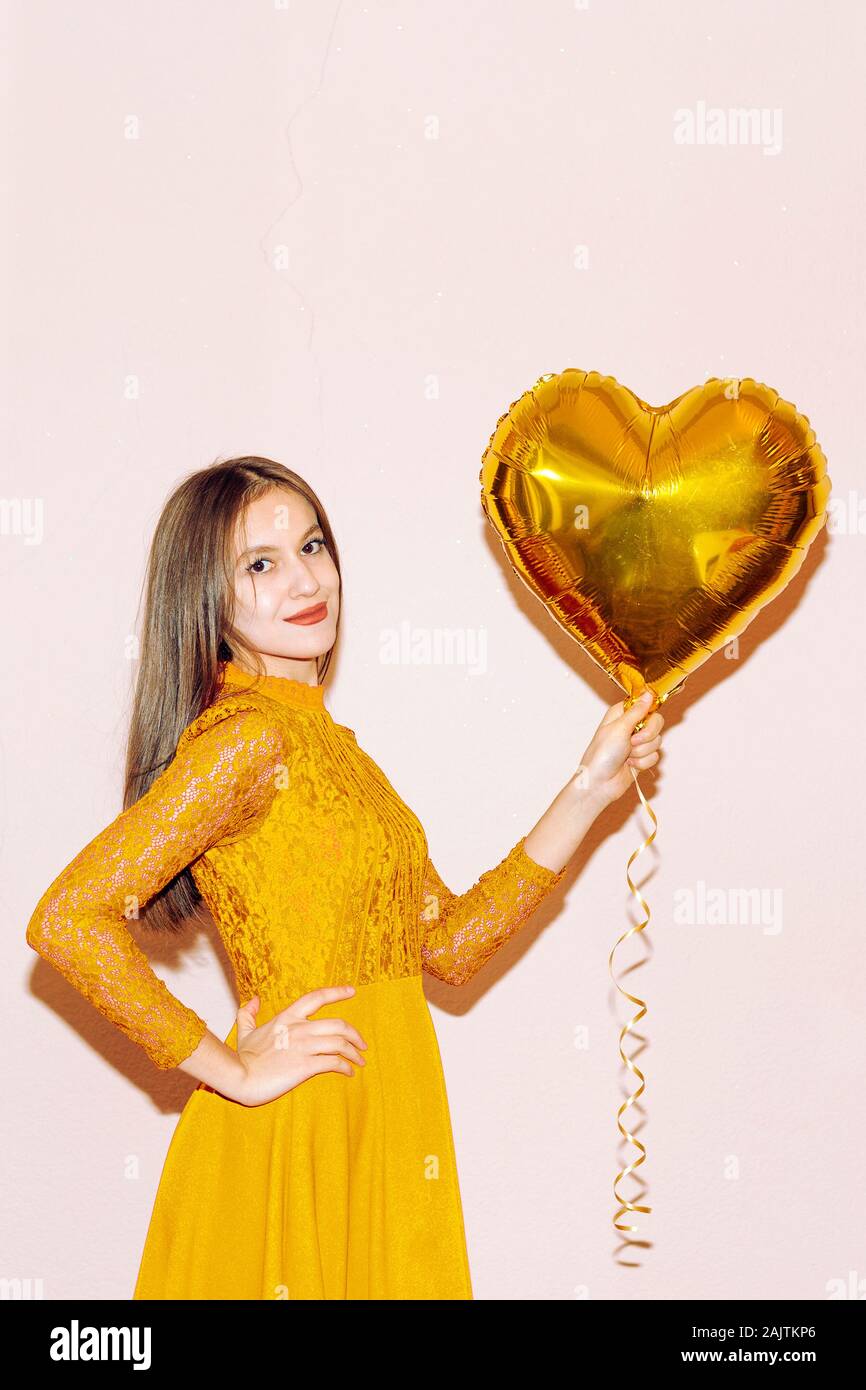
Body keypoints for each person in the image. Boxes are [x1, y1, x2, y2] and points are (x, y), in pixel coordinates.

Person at [25, 455, 664, 1300]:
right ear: (206, 601)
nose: (304, 577)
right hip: (303, 1128)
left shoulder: (336, 749)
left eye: (312, 545)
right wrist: (229, 1067)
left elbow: (451, 946)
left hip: (387, 1119)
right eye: (261, 563)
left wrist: (590, 789)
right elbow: (68, 919)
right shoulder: (248, 740)